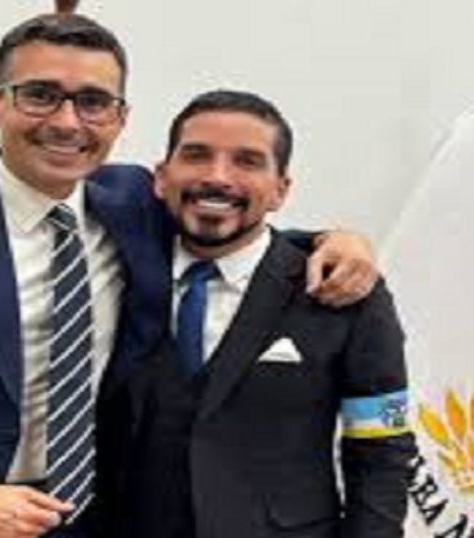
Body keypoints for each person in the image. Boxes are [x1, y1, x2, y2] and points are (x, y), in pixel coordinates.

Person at [0, 14, 378, 538]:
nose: (67, 122)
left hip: (82, 518)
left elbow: (230, 222)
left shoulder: (133, 202)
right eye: (40, 94)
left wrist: (333, 241)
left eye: (92, 101)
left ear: (119, 117)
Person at [117, 90, 417, 538]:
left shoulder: (344, 288)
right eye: (197, 155)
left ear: (280, 190)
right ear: (162, 177)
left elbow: (380, 448)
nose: (217, 177)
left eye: (247, 161)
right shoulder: (117, 268)